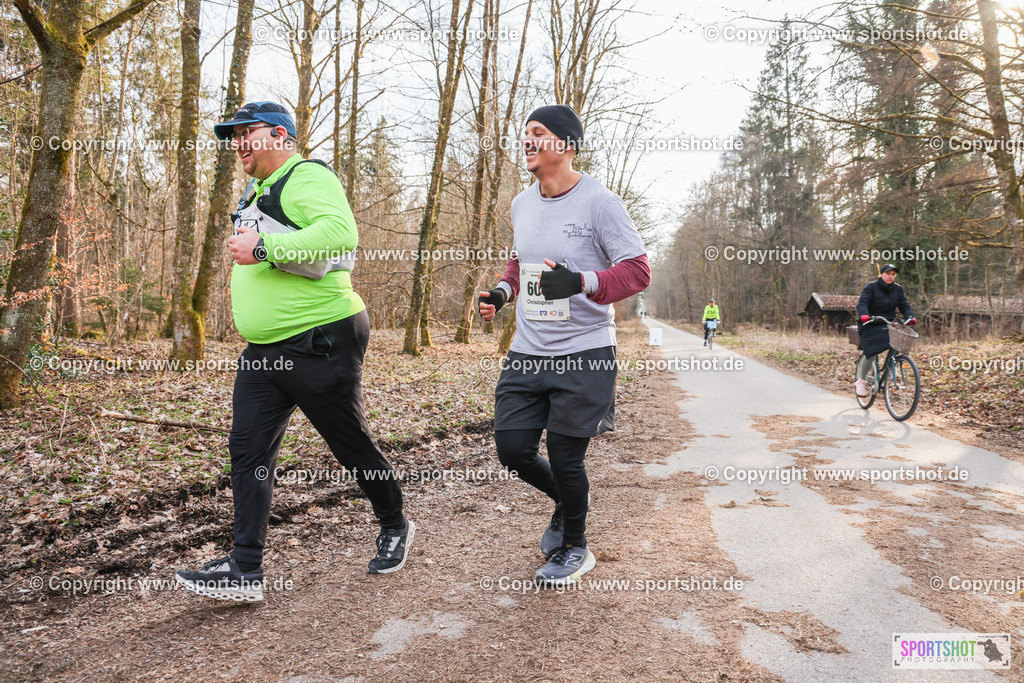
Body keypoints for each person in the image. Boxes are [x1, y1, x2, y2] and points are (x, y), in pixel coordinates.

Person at [174, 101, 413, 602]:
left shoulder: (305, 175)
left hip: (319, 337)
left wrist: (262, 249)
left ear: (280, 135)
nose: (237, 143)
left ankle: (395, 522)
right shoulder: (256, 190)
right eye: (231, 135)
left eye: (246, 132)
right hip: (264, 349)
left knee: (348, 443)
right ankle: (245, 569)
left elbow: (340, 233)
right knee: (248, 450)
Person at [478, 104, 650, 587]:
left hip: (586, 349)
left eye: (539, 133)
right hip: (529, 350)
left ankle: (576, 545)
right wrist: (501, 295)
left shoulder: (601, 202)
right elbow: (519, 264)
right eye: (525, 134)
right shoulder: (521, 203)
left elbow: (638, 271)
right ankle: (570, 501)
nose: (528, 141)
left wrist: (581, 282)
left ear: (568, 146)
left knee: (566, 455)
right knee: (512, 450)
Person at [855, 264, 917, 397]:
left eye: (893, 274)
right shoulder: (871, 287)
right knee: (872, 349)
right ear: (881, 274)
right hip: (869, 323)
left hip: (888, 323)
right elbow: (862, 303)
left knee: (895, 342)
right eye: (888, 273)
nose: (891, 276)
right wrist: (864, 315)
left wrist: (910, 317)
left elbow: (905, 305)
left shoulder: (898, 289)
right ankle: (861, 381)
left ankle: (889, 369)